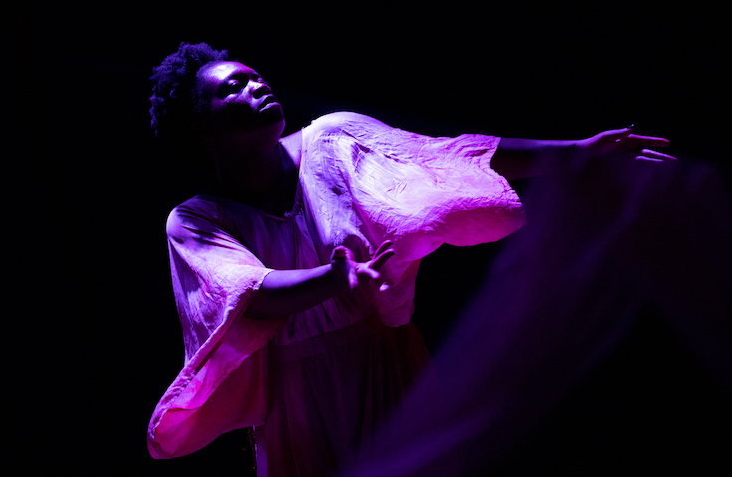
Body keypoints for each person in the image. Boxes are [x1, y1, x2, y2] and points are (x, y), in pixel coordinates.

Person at [146, 42, 674, 476]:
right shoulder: (195, 222)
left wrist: (578, 151)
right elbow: (251, 297)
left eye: (254, 75)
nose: (256, 85)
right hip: (300, 404)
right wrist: (336, 277)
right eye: (232, 87)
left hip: (388, 365)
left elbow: (449, 157)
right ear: (202, 129)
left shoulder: (335, 138)